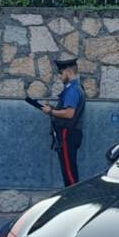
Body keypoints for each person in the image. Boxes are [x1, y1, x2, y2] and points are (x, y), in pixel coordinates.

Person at [42, 57, 87, 187]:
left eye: (61, 74)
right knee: (69, 171)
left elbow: (69, 113)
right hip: (70, 134)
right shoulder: (77, 88)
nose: (60, 77)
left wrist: (50, 111)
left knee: (70, 175)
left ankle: (73, 201)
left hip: (67, 134)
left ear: (68, 71)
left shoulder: (72, 90)